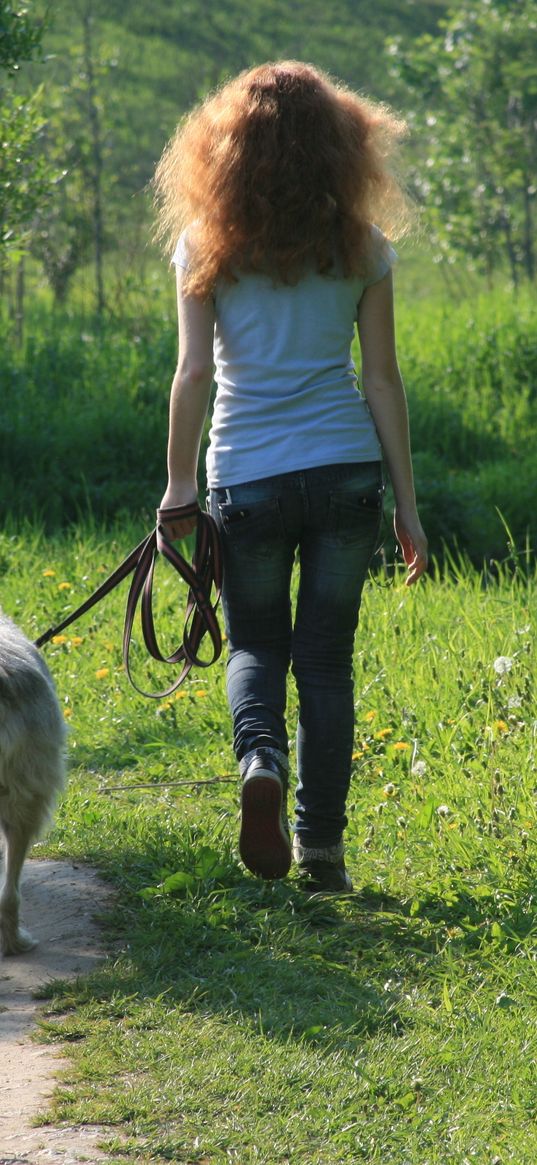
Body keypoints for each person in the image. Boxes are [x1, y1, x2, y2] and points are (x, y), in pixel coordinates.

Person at [153, 61, 428, 892]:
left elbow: (193, 375)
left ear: (226, 148)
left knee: (257, 645)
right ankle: (322, 852)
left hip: (247, 474)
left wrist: (177, 488)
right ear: (341, 146)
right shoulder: (362, 246)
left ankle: (260, 761)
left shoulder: (203, 244)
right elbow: (381, 378)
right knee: (326, 662)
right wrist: (407, 508)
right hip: (345, 472)